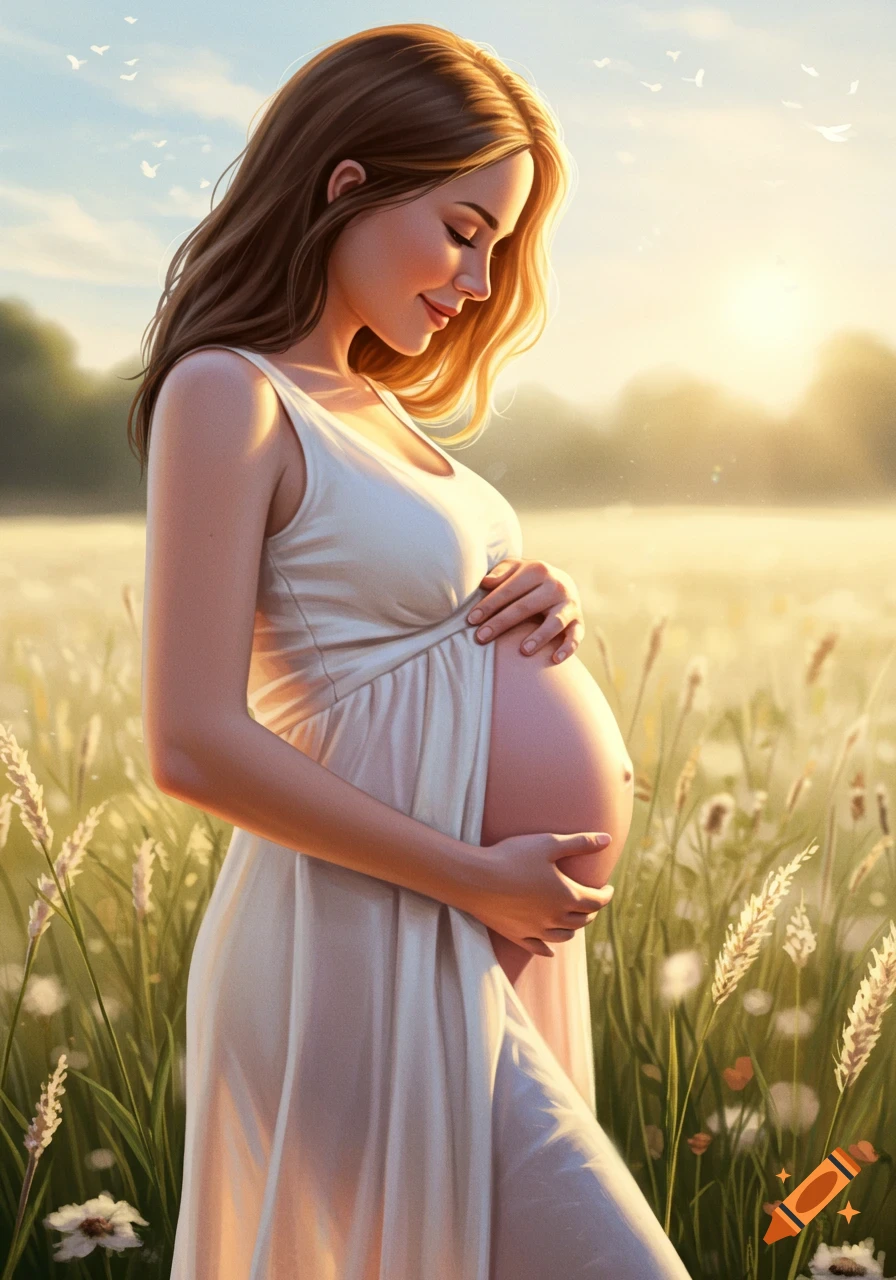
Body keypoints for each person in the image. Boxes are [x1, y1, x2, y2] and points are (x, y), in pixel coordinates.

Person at [134, 23, 694, 1279]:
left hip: (452, 939)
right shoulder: (232, 392)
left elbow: (417, 612)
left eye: (497, 246)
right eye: (463, 227)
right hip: (351, 943)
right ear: (347, 184)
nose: (480, 281)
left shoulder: (376, 408)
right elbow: (188, 741)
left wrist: (541, 599)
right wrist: (470, 876)